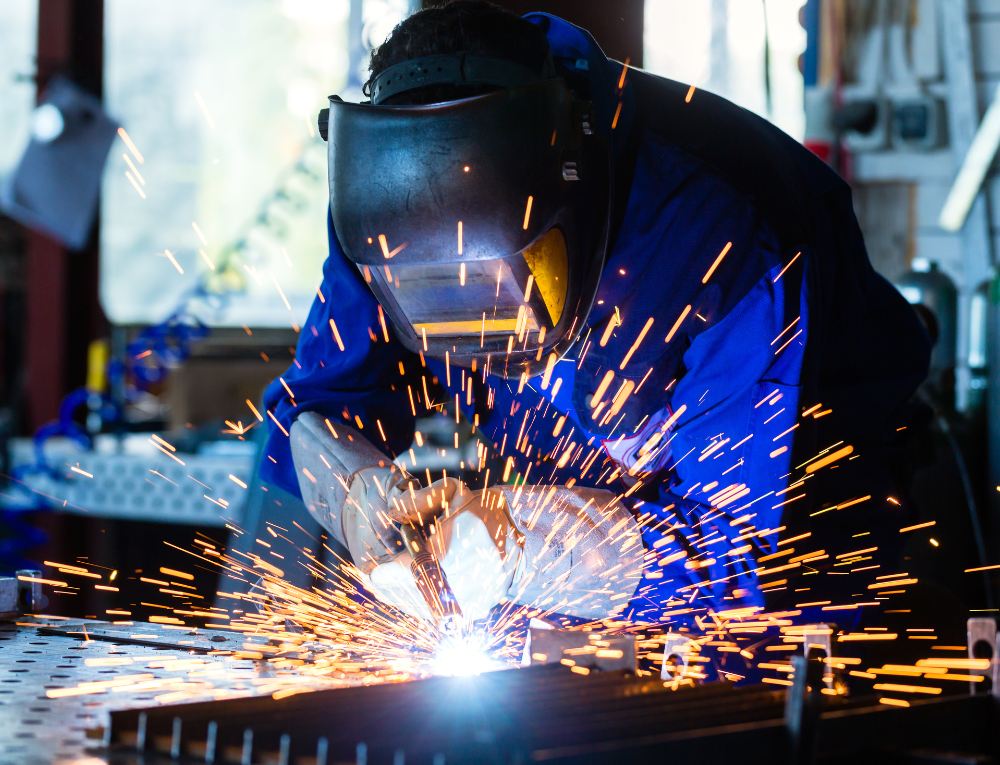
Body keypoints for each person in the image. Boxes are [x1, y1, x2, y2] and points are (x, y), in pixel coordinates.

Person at [261, 1, 930, 626]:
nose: (479, 332)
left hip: (805, 530)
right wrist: (357, 495)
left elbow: (739, 558)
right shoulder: (379, 214)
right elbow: (317, 409)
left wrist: (525, 547)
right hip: (573, 537)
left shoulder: (719, 237)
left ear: (568, 199)